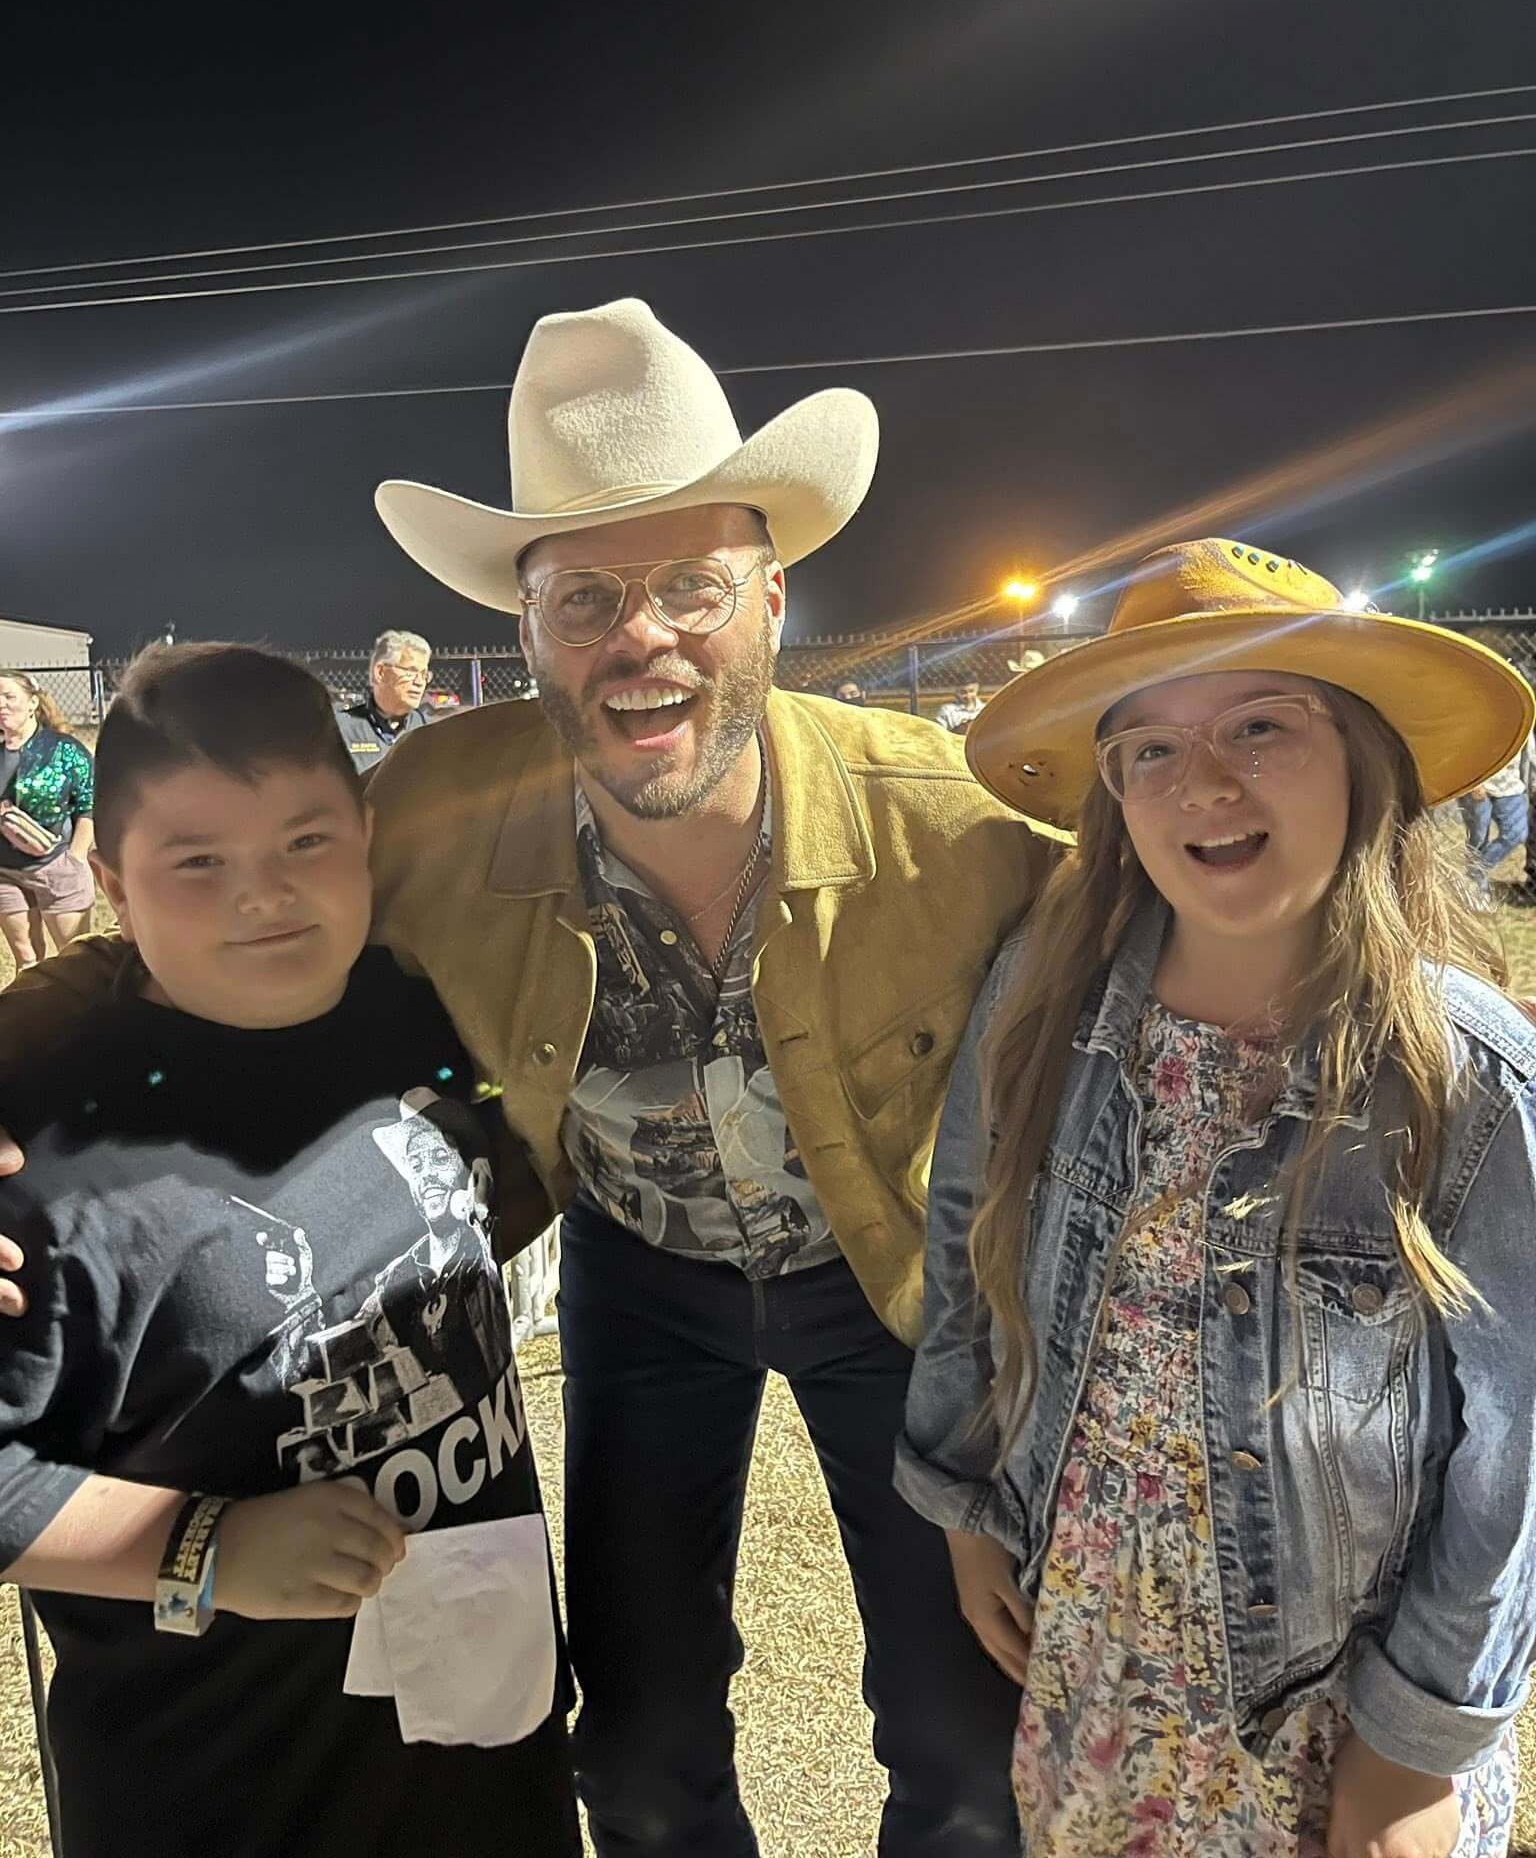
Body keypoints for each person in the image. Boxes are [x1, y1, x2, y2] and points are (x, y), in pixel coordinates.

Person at [0, 298, 1057, 1857]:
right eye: (585, 598)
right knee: (636, 1748)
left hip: (892, 1280)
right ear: (530, 629)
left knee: (968, 1741)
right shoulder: (438, 802)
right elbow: (196, 915)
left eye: (692, 585)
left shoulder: (954, 822)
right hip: (644, 1271)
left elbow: (1162, 955)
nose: (641, 638)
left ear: (774, 597)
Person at [897, 536, 1536, 1858]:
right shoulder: (1047, 1002)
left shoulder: (1463, 1079)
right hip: (1099, 1663)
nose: (1207, 782)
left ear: (1364, 759)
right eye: (1153, 748)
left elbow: (1517, 1446)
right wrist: (966, 1505)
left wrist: (1416, 1743)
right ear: (1115, 796)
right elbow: (970, 1230)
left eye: (1262, 725)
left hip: (1336, 1708)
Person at [0, 643, 578, 1858]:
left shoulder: (422, 1007)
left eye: (305, 840)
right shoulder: (48, 1152)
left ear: (366, 834)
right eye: (197, 860)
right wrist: (204, 1547)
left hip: (487, 1741)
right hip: (226, 1784)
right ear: (109, 880)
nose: (263, 893)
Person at [0, 671, 96, 975]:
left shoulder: (63, 749)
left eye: (9, 696)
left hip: (56, 866)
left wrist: (76, 858)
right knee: (27, 962)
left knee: (76, 960)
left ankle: (88, 1008)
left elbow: (90, 804)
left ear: (32, 703)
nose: (1, 704)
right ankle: (35, 1007)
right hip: (6, 873)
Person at [335, 630, 433, 771]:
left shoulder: (429, 729)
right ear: (380, 672)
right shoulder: (341, 730)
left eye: (424, 675)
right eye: (411, 671)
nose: (419, 682)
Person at [1459, 729, 1533, 884]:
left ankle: (1476, 871)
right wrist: (1473, 782)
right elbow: (1461, 743)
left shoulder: (1524, 716)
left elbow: (1529, 751)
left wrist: (1532, 783)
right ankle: (1478, 888)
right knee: (1479, 838)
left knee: (1517, 833)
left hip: (1510, 784)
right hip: (1478, 782)